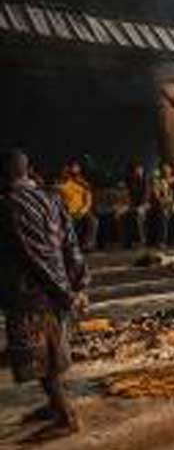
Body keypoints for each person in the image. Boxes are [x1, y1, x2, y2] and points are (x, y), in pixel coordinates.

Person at [0, 151, 89, 435]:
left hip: (34, 293)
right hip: (55, 288)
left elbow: (34, 255)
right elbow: (71, 245)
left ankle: (66, 417)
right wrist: (77, 283)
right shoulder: (51, 198)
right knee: (51, 353)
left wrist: (64, 291)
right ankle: (55, 405)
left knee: (43, 358)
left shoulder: (9, 205)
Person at [58, 159, 98, 251]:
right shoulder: (61, 184)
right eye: (71, 168)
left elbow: (88, 200)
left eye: (76, 167)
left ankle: (88, 245)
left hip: (81, 212)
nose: (74, 170)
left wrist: (82, 211)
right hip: (67, 212)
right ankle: (68, 246)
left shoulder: (83, 184)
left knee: (93, 221)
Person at [122, 161, 150, 248]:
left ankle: (141, 240)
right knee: (125, 216)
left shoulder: (145, 180)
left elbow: (146, 195)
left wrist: (140, 206)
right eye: (136, 170)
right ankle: (127, 241)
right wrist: (128, 205)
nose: (138, 171)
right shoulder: (129, 180)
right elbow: (127, 194)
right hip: (132, 205)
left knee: (138, 215)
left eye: (139, 169)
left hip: (145, 204)